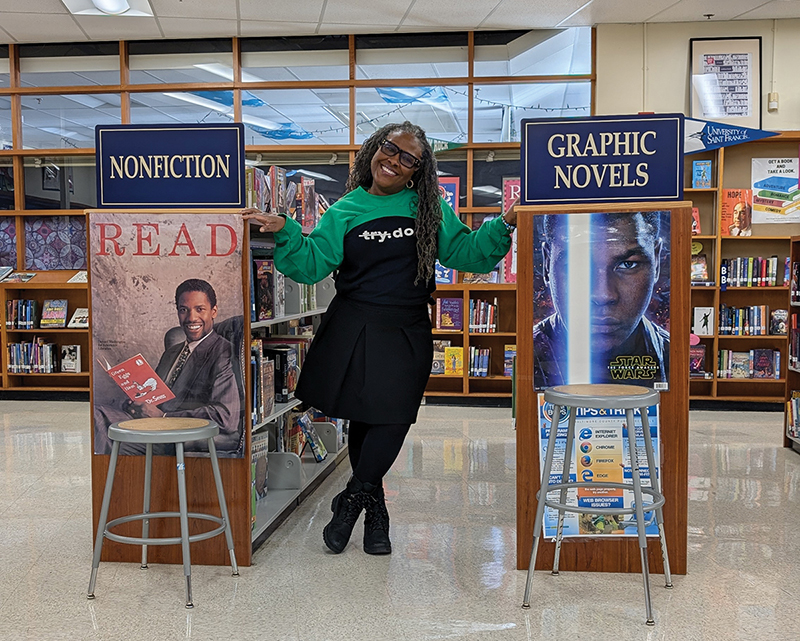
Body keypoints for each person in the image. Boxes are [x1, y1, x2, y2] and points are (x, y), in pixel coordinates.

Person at [242, 121, 516, 555]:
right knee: (365, 416)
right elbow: (311, 266)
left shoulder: (428, 206)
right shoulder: (345, 209)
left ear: (417, 171)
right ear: (375, 148)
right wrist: (286, 228)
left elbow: (466, 254)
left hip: (407, 327)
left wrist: (505, 222)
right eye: (391, 149)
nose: (395, 161)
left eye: (409, 159)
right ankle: (376, 511)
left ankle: (351, 497)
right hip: (354, 323)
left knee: (394, 417)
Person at [94, 278, 243, 456]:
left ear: (214, 311)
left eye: (199, 309)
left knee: (104, 429)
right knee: (97, 415)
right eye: (183, 310)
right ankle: (123, 480)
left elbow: (225, 415)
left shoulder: (224, 352)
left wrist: (163, 417)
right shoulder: (172, 353)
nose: (191, 318)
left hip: (175, 432)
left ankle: (120, 481)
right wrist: (136, 404)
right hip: (151, 425)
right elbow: (156, 397)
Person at [533, 211, 669, 389]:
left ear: (656, 262)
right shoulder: (528, 355)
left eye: (628, 264)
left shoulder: (672, 357)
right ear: (547, 263)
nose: (603, 295)